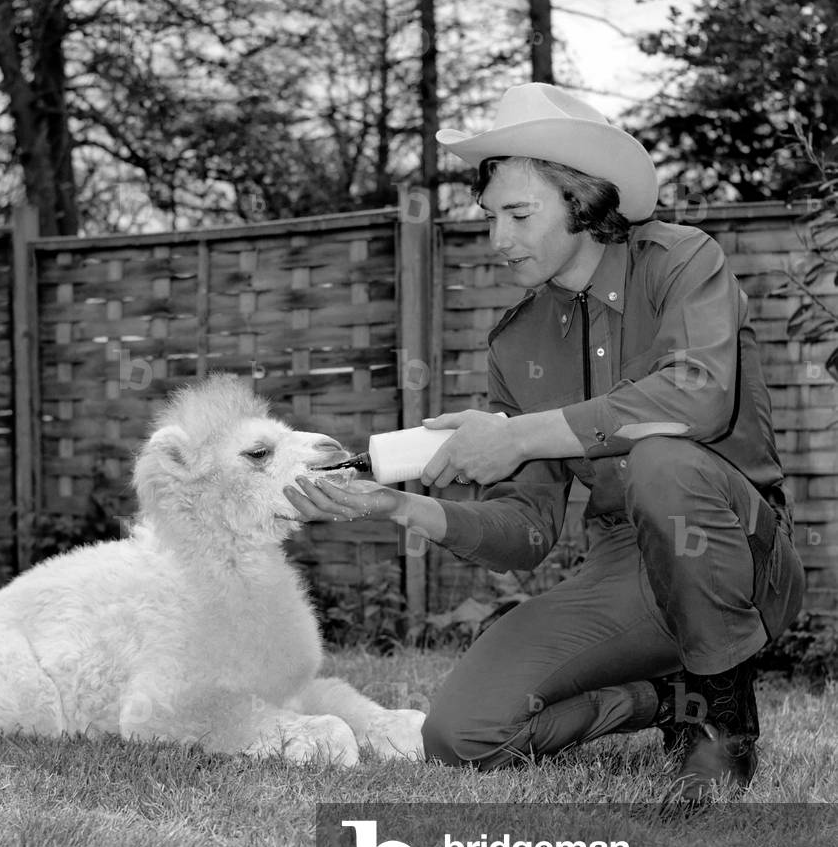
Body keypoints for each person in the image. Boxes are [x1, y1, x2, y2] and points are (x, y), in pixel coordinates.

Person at [283, 82, 805, 807]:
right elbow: (527, 531)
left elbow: (697, 397)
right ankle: (667, 698)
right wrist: (397, 507)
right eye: (490, 217)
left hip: (738, 553)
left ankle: (722, 722)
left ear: (583, 199)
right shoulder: (518, 340)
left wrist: (518, 435)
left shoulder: (685, 262)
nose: (498, 240)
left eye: (519, 215)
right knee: (458, 736)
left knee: (662, 458)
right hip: (625, 564)